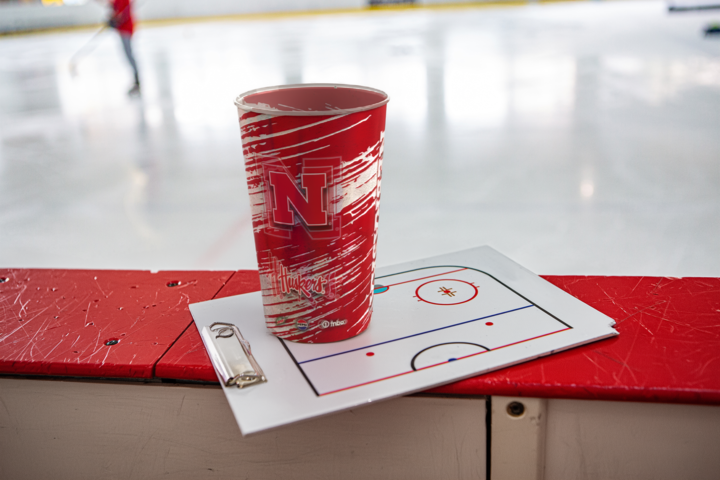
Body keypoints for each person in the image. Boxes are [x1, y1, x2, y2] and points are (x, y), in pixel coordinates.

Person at [108, 0, 140, 95]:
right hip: (122, 30)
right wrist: (111, 19)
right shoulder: (116, 1)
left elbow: (123, 15)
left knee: (129, 55)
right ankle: (136, 79)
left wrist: (116, 20)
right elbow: (114, 10)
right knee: (127, 55)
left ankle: (137, 80)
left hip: (126, 29)